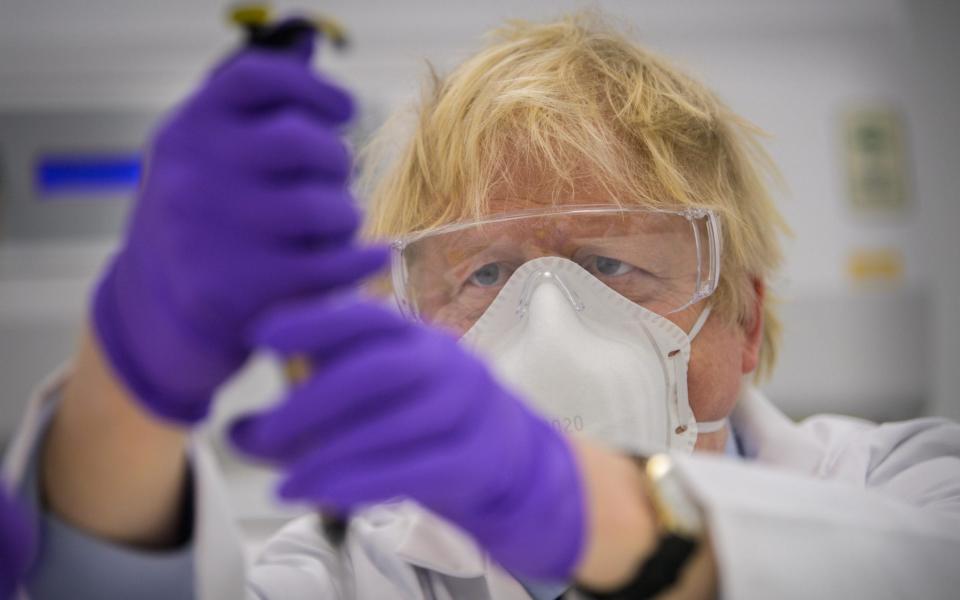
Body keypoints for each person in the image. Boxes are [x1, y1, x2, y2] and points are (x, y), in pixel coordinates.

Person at [3, 12, 960, 600]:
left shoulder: (899, 485)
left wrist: (573, 503)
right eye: (486, 277)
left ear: (744, 322)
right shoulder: (351, 571)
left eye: (612, 261)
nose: (552, 323)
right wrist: (127, 380)